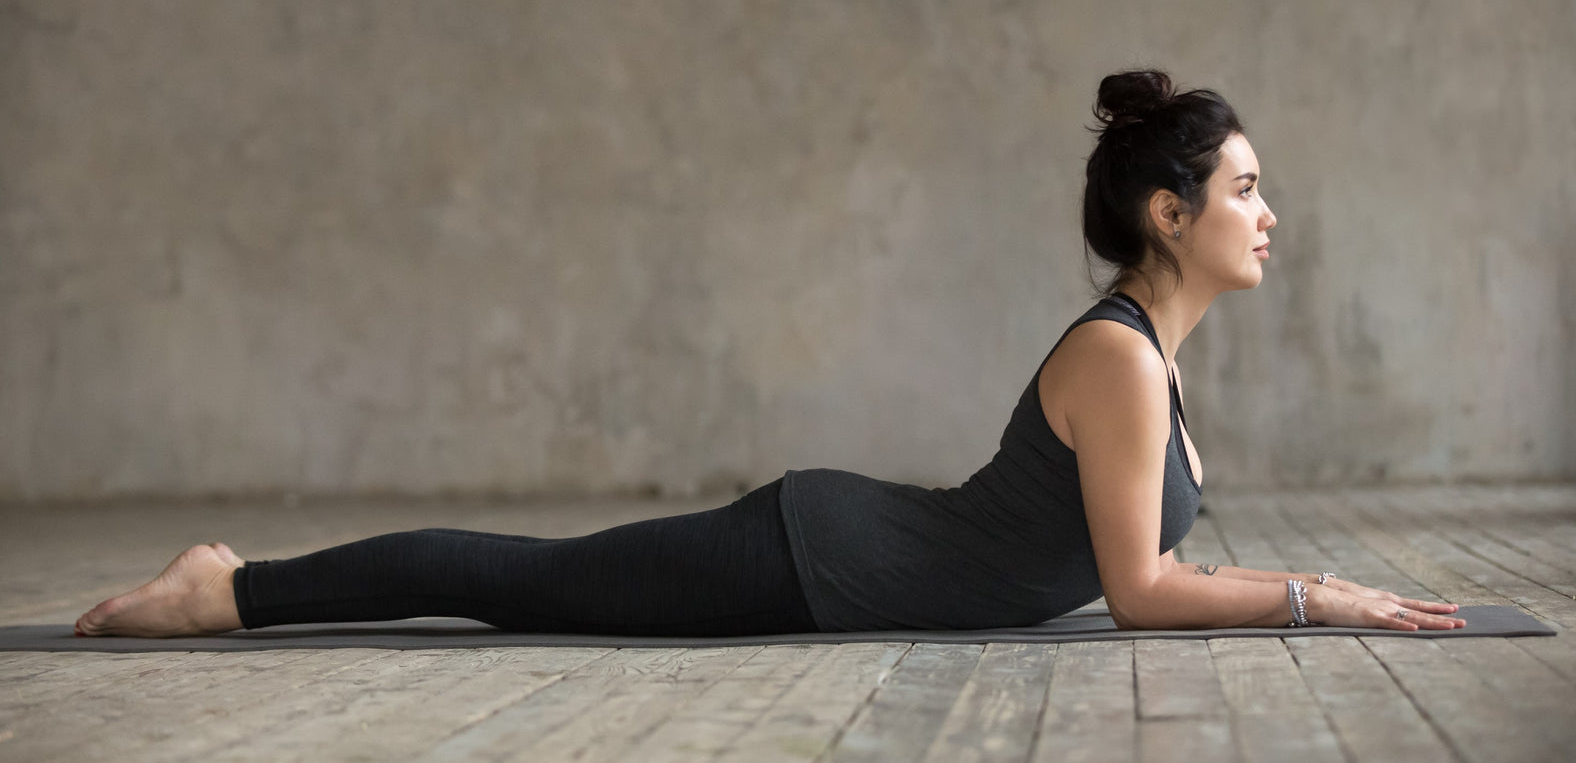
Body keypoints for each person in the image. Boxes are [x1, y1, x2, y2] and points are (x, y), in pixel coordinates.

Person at [76, 69, 1465, 639]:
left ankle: (233, 584)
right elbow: (1140, 590)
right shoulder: (1121, 360)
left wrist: (1300, 591)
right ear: (1169, 213)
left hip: (846, 557)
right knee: (520, 582)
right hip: (813, 556)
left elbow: (1126, 573)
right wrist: (1316, 596)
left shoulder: (1154, 359)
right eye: (1244, 189)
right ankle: (228, 589)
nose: (1268, 214)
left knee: (526, 583)